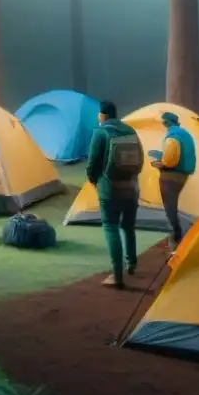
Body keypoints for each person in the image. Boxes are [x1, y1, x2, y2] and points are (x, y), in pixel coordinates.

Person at [86, 100, 144, 289]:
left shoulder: (100, 132)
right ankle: (132, 263)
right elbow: (140, 160)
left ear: (102, 115)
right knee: (128, 226)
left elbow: (92, 164)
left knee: (111, 227)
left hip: (110, 188)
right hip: (132, 187)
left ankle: (117, 276)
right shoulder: (130, 130)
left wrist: (95, 181)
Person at [152, 111, 197, 252]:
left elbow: (171, 160)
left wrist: (160, 163)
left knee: (170, 207)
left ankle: (176, 238)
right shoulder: (185, 134)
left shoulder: (173, 136)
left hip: (171, 176)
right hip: (183, 174)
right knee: (172, 205)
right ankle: (177, 235)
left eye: (164, 121)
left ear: (167, 122)